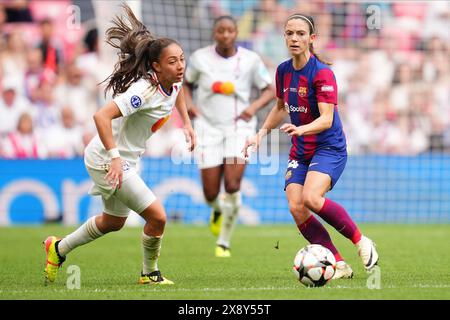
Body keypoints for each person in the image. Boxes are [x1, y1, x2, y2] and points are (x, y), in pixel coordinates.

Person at [43, 4, 195, 285]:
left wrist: (186, 122)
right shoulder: (143, 91)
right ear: (156, 66)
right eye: (173, 61)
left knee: (112, 222)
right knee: (158, 217)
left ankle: (58, 248)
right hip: (107, 158)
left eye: (182, 59)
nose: (180, 66)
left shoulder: (171, 82)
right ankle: (150, 274)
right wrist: (114, 157)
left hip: (123, 159)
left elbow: (178, 90)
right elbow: (101, 116)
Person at [243, 14, 379, 278]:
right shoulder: (283, 70)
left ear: (311, 38)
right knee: (296, 206)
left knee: (311, 198)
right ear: (284, 36)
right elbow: (281, 108)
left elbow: (327, 119)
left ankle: (362, 241)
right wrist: (259, 134)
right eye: (289, 33)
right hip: (301, 150)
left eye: (300, 34)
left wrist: (301, 129)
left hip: (329, 148)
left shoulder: (322, 73)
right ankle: (339, 264)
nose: (294, 38)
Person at [183, 15, 275, 258]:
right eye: (221, 30)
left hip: (239, 128)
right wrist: (190, 106)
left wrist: (252, 108)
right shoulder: (199, 58)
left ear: (236, 33)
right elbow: (186, 85)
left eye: (230, 31)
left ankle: (224, 241)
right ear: (214, 33)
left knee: (233, 185)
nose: (225, 35)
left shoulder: (251, 60)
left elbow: (270, 90)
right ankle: (217, 210)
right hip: (207, 127)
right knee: (211, 194)